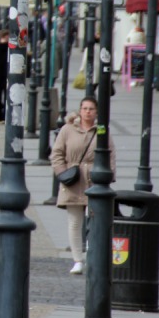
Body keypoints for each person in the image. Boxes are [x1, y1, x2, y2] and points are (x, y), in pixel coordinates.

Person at [51, 97, 116, 275]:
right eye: (85, 108)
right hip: (73, 180)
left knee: (94, 220)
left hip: (95, 179)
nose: (87, 112)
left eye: (91, 109)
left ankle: (93, 255)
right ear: (80, 110)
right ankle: (77, 260)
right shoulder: (67, 130)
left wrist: (108, 176)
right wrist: (62, 172)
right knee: (74, 222)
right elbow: (56, 153)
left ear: (96, 112)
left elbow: (110, 154)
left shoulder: (102, 130)